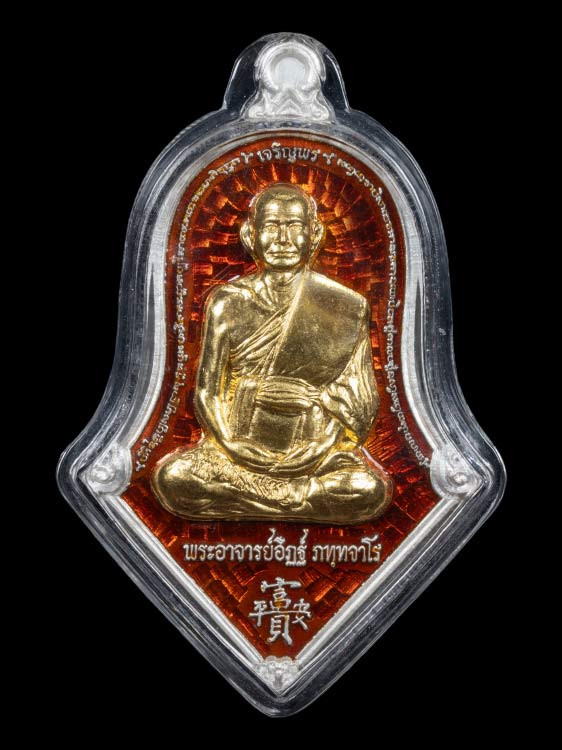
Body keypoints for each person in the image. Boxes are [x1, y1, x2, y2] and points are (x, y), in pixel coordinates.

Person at [151, 183, 392, 523]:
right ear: (251, 235)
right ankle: (292, 497)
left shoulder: (346, 307)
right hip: (237, 451)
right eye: (272, 226)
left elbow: (357, 401)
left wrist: (320, 444)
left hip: (315, 455)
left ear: (314, 234)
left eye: (294, 226)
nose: (283, 240)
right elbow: (207, 393)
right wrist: (231, 444)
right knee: (173, 477)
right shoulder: (227, 303)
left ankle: (259, 494)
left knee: (368, 489)